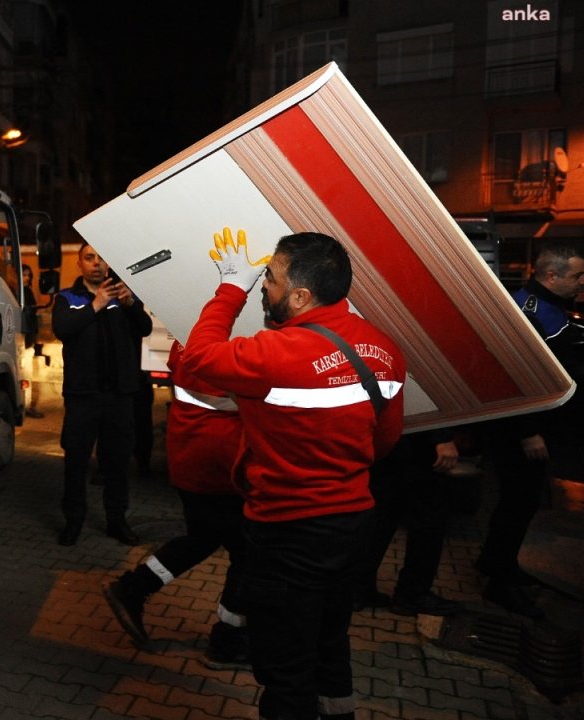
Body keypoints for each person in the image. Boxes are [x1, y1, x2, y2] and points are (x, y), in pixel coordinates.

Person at [181, 228, 405, 720]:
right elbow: (384, 442)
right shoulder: (384, 349)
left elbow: (197, 357)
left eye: (271, 279)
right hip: (352, 527)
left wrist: (230, 288)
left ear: (301, 296)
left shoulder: (273, 354)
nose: (265, 286)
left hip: (286, 532)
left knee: (284, 665)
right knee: (330, 639)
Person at [102, 340, 250, 663]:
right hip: (222, 466)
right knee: (247, 551)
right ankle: (228, 640)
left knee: (203, 538)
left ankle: (133, 589)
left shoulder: (189, 339)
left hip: (189, 457)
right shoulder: (242, 349)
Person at [477, 243, 584, 619]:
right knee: (517, 502)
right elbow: (516, 373)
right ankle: (499, 584)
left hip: (539, 424)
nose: (583, 282)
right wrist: (529, 431)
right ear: (551, 276)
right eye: (577, 275)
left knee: (521, 502)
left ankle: (498, 565)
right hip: (521, 430)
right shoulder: (528, 311)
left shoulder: (548, 308)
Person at [52, 242, 152, 546]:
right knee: (76, 462)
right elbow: (63, 329)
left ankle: (116, 520)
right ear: (80, 264)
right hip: (83, 395)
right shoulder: (68, 298)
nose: (96, 263)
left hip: (119, 396)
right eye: (89, 258)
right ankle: (73, 521)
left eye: (101, 258)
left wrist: (131, 304)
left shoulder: (122, 297)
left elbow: (146, 328)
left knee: (117, 462)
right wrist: (95, 305)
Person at [353, 432, 462, 617]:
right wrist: (441, 438)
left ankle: (358, 589)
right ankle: (412, 594)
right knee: (429, 520)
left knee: (382, 515)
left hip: (395, 437)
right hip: (421, 442)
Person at [21, 263, 44, 418]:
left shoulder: (26, 291)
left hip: (27, 339)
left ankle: (27, 404)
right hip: (23, 340)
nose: (27, 278)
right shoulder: (21, 293)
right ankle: (26, 405)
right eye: (24, 274)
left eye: (28, 275)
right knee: (26, 374)